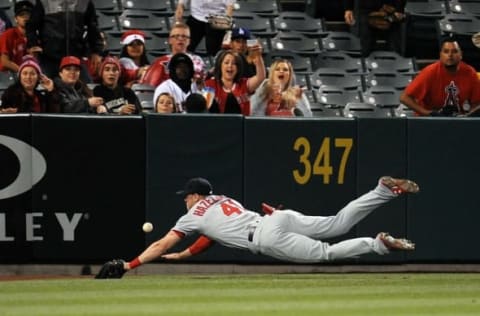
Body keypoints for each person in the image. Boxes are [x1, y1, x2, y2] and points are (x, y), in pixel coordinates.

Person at [95, 176, 419, 278]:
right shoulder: (223, 198)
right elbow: (211, 237)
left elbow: (161, 244)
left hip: (265, 235)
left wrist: (130, 264)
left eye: (186, 196)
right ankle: (383, 191)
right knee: (337, 223)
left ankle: (378, 244)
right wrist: (184, 257)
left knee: (328, 253)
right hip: (276, 218)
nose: (184, 201)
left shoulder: (192, 214)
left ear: (195, 195)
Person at [25, 0, 104, 82]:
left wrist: (96, 51)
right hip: (49, 58)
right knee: (43, 87)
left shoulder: (85, 2)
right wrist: (33, 45)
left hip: (75, 58)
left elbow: (93, 27)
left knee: (88, 88)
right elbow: (31, 26)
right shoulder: (44, 2)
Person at [399, 38, 480, 116]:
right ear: (440, 55)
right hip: (429, 121)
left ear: (461, 55)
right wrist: (427, 113)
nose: (450, 55)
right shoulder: (430, 72)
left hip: (457, 121)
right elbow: (404, 98)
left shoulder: (470, 73)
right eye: (446, 51)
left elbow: (476, 103)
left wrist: (468, 117)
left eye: (454, 51)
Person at [140, 22, 205, 88]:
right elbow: (149, 87)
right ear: (170, 40)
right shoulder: (160, 62)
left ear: (189, 41)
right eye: (176, 36)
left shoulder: (198, 60)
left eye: (184, 36)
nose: (180, 39)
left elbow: (202, 86)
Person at [205, 49, 265, 115]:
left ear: (238, 68)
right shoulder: (210, 84)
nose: (230, 66)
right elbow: (206, 110)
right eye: (226, 63)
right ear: (220, 65)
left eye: (234, 63)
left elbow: (260, 77)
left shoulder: (244, 84)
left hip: (241, 124)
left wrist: (258, 57)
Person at [0, 1, 33, 73]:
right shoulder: (8, 34)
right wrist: (23, 71)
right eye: (22, 15)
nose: (25, 17)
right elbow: (4, 62)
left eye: (28, 15)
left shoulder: (35, 35)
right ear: (16, 19)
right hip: (8, 74)